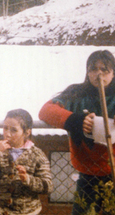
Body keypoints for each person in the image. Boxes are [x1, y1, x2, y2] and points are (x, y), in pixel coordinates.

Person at [38, 50, 115, 215]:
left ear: (113, 72)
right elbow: (46, 110)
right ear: (87, 72)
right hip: (88, 173)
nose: (99, 73)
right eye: (93, 69)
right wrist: (75, 120)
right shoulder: (77, 94)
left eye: (105, 69)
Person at [0, 108, 53, 215]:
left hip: (27, 212)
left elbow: (47, 187)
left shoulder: (37, 155)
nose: (7, 134)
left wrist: (28, 179)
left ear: (26, 132)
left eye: (14, 130)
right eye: (5, 128)